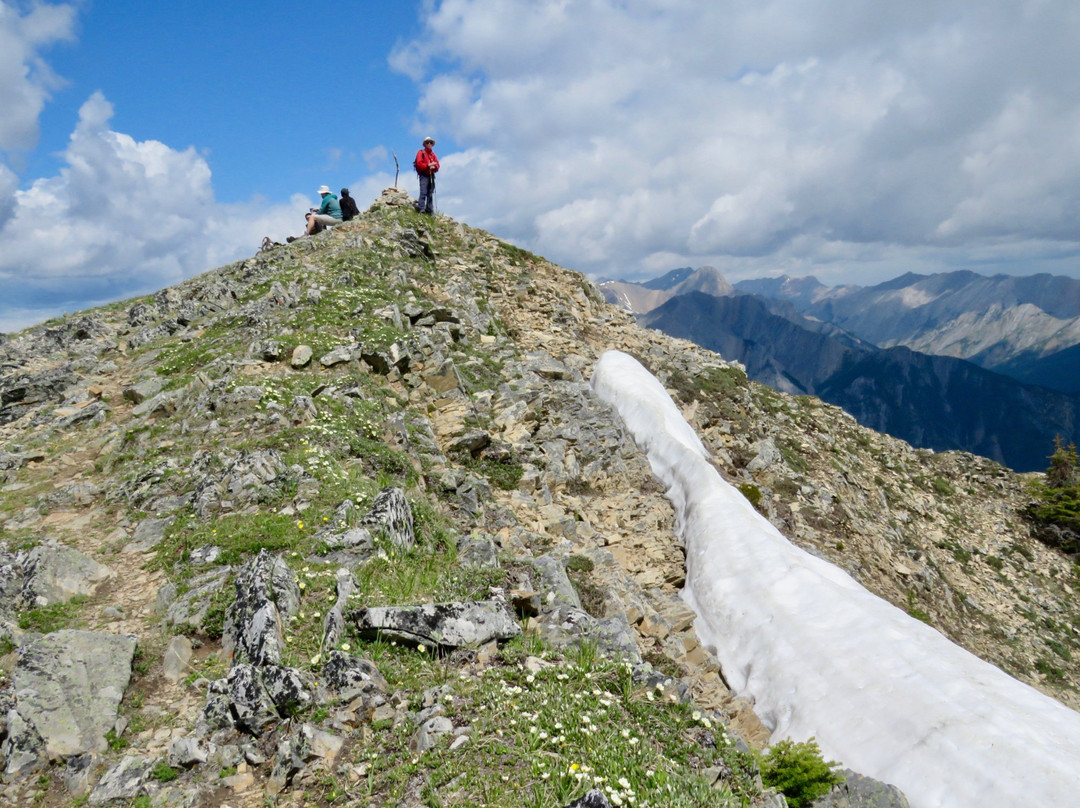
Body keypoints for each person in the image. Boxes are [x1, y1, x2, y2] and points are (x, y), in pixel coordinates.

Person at [413, 136, 439, 215]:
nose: (429, 144)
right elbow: (419, 163)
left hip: (431, 175)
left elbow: (438, 164)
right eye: (427, 142)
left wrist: (434, 167)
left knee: (430, 193)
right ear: (425, 144)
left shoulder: (432, 154)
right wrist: (428, 165)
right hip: (424, 175)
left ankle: (430, 210)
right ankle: (422, 209)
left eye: (430, 142)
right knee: (423, 192)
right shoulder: (421, 152)